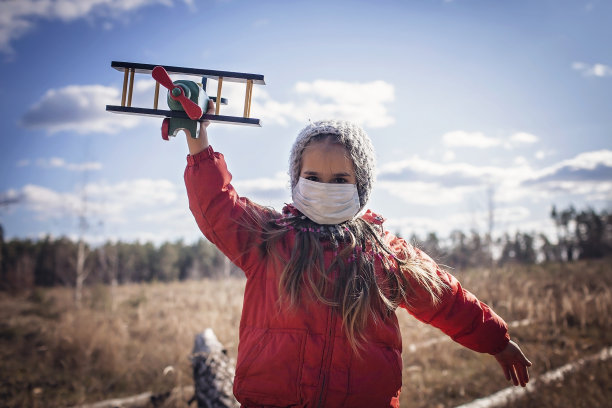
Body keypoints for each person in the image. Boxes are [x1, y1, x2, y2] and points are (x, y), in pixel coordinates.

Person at [183, 101, 532, 408]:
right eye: (313, 177)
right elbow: (217, 205)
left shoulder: (384, 254)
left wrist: (496, 341)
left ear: (361, 185)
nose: (325, 188)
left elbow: (445, 298)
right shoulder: (269, 238)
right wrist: (197, 139)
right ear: (296, 179)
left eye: (339, 180)